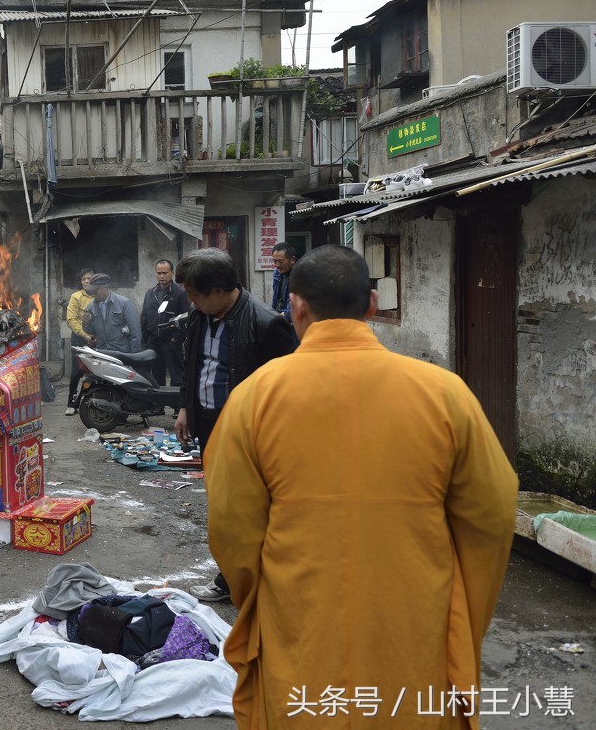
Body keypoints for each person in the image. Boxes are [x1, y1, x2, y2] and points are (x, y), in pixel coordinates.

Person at [205, 245, 518, 727]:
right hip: (412, 618)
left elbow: (232, 526)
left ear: (297, 306)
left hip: (301, 616)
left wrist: (261, 601)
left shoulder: (254, 397)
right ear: (371, 306)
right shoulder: (444, 393)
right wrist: (461, 609)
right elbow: (492, 514)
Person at [172, 248, 298, 604]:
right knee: (222, 506)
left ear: (219, 290)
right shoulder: (200, 315)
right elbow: (191, 364)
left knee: (251, 506)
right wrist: (185, 407)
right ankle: (232, 575)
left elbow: (284, 390)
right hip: (209, 424)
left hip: (248, 432)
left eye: (196, 294)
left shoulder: (266, 323)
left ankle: (244, 581)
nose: (191, 301)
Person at [139, 259, 189, 387]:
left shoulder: (180, 293)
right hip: (154, 342)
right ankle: (158, 406)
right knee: (156, 376)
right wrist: (146, 338)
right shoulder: (150, 293)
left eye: (165, 273)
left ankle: (178, 405)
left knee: (177, 376)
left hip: (171, 342)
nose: (161, 276)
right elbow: (144, 316)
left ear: (172, 273)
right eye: (159, 273)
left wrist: (176, 339)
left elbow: (185, 318)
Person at [64, 268, 96, 416]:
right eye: (84, 279)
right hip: (79, 337)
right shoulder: (76, 297)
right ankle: (71, 403)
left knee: (96, 372)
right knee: (77, 371)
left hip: (96, 339)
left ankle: (93, 401)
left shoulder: (99, 296)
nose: (86, 281)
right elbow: (71, 320)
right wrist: (84, 335)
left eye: (89, 278)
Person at [82, 274, 141, 353]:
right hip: (102, 353)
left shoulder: (124, 303)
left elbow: (135, 332)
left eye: (96, 289)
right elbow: (91, 331)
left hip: (121, 353)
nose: (94, 293)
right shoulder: (91, 306)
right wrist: (86, 323)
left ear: (105, 287)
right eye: (92, 290)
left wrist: (134, 356)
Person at [270, 241, 297, 322]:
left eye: (281, 262)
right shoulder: (276, 274)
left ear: (292, 259)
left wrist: (286, 315)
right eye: (275, 261)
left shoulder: (301, 277)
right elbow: (275, 301)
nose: (277, 265)